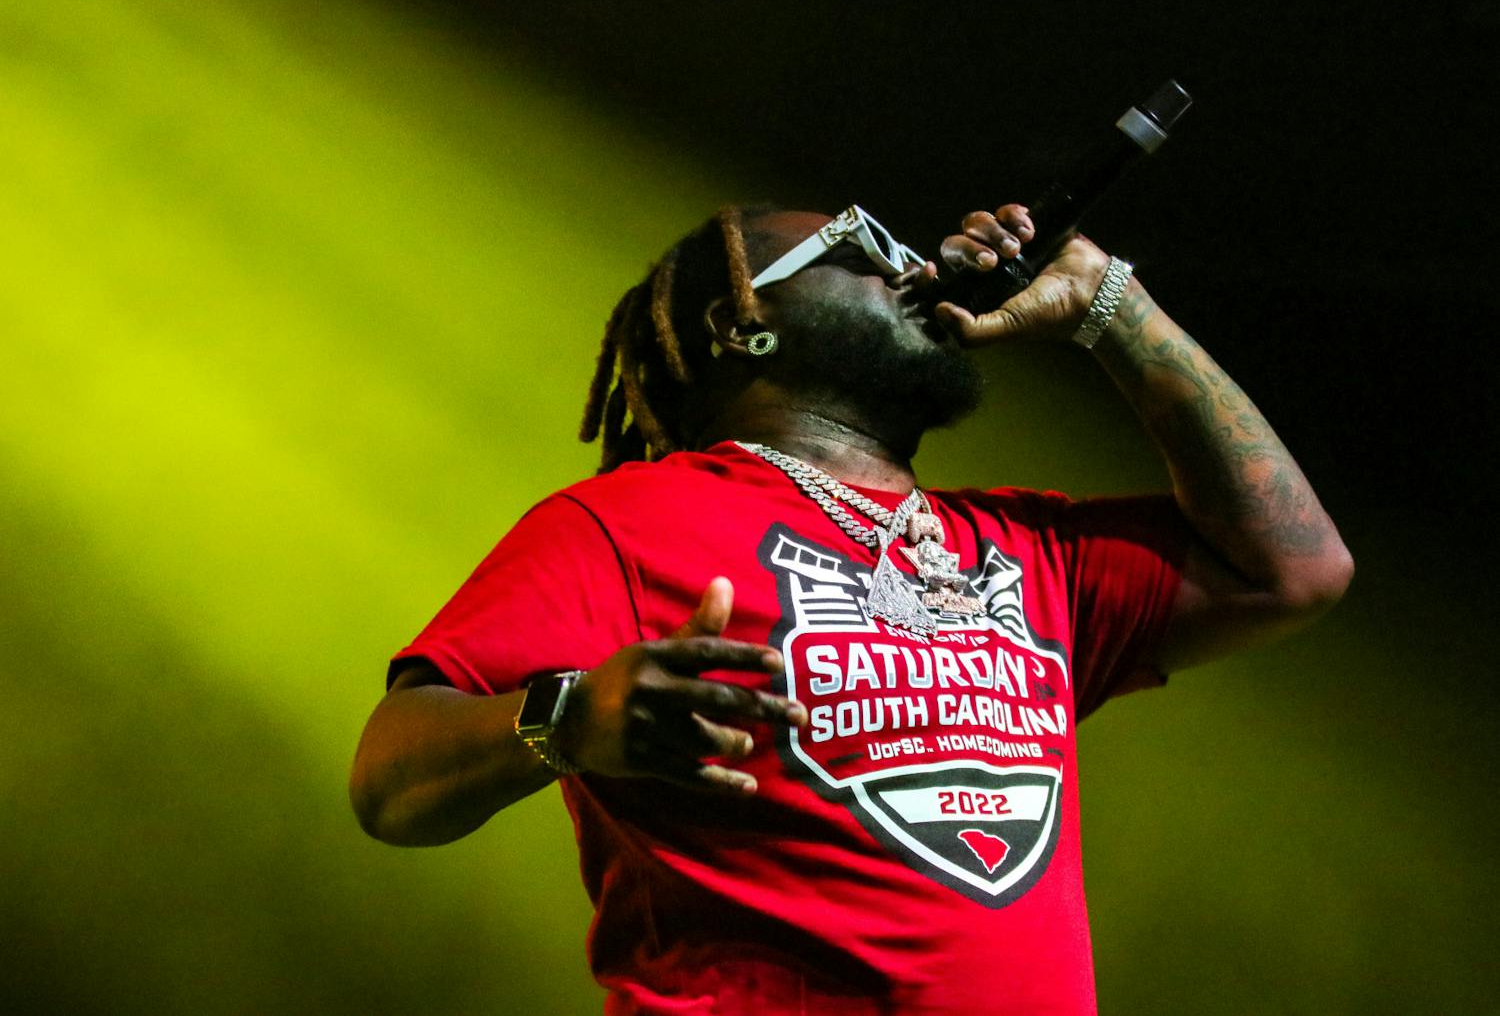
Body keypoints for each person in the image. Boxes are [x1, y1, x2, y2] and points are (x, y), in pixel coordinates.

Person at [349, 202, 1352, 1014]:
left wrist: (1110, 306)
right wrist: (566, 718)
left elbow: (1290, 568)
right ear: (746, 325)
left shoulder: (1020, 544)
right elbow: (387, 780)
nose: (909, 263)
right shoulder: (618, 524)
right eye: (862, 246)